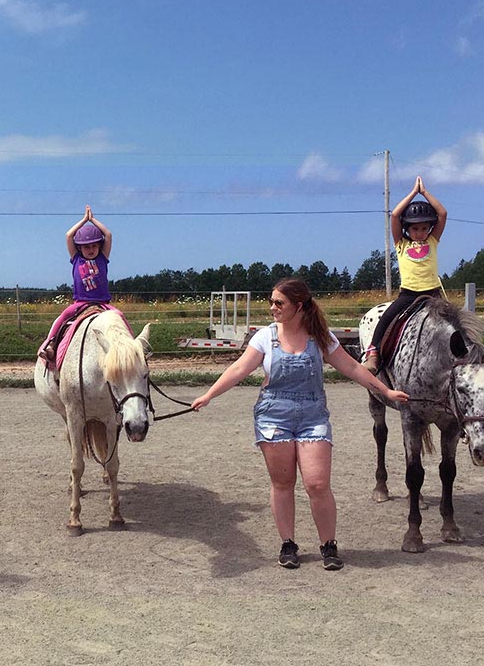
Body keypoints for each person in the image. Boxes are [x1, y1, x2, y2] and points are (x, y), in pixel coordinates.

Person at [190, 279, 409, 570]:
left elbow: (353, 367)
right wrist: (209, 395)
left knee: (317, 483)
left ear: (299, 306)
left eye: (279, 303)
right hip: (273, 416)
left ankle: (328, 545)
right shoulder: (264, 337)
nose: (272, 308)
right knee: (282, 483)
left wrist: (385, 391)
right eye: (271, 302)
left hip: (313, 416)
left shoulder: (320, 337)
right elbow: (239, 369)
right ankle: (288, 543)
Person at [364, 176, 447, 372]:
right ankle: (373, 353)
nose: (420, 232)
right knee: (386, 319)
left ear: (429, 228)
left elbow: (442, 214)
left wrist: (425, 193)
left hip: (433, 293)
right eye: (415, 228)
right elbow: (394, 216)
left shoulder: (432, 241)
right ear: (407, 229)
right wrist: (412, 193)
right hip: (408, 293)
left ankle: (464, 354)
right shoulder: (401, 244)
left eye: (424, 228)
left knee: (454, 321)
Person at [38, 205, 114, 365]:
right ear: (79, 247)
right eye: (86, 246)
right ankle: (50, 344)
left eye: (94, 245)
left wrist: (93, 220)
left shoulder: (102, 258)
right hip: (81, 303)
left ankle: (134, 349)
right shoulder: (76, 259)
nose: (91, 249)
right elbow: (68, 235)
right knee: (62, 318)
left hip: (103, 303)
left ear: (99, 246)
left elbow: (108, 234)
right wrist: (84, 220)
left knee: (120, 318)